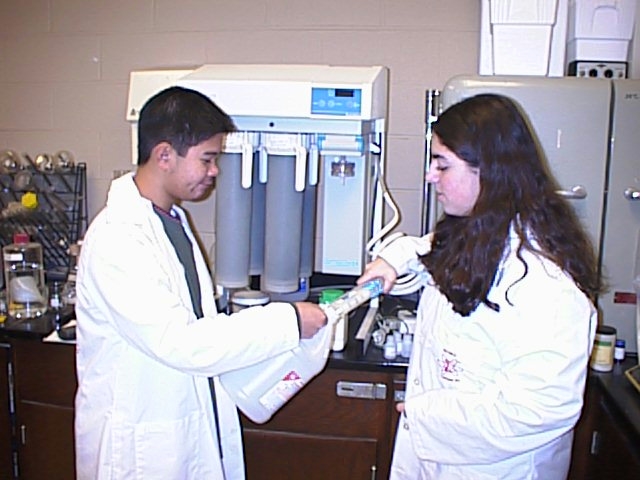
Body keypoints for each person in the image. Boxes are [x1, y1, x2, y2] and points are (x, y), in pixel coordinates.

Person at [74, 86, 327, 480]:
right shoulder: (118, 237)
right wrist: (288, 322)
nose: (215, 171)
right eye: (207, 159)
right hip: (139, 446)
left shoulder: (171, 221)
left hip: (179, 423)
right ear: (164, 155)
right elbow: (181, 342)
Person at [358, 94, 601, 479]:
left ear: (489, 171)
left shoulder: (546, 287)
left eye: (443, 165)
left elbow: (539, 408)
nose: (430, 175)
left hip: (494, 468)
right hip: (444, 455)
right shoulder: (477, 234)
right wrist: (392, 259)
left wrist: (427, 413)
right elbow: (425, 249)